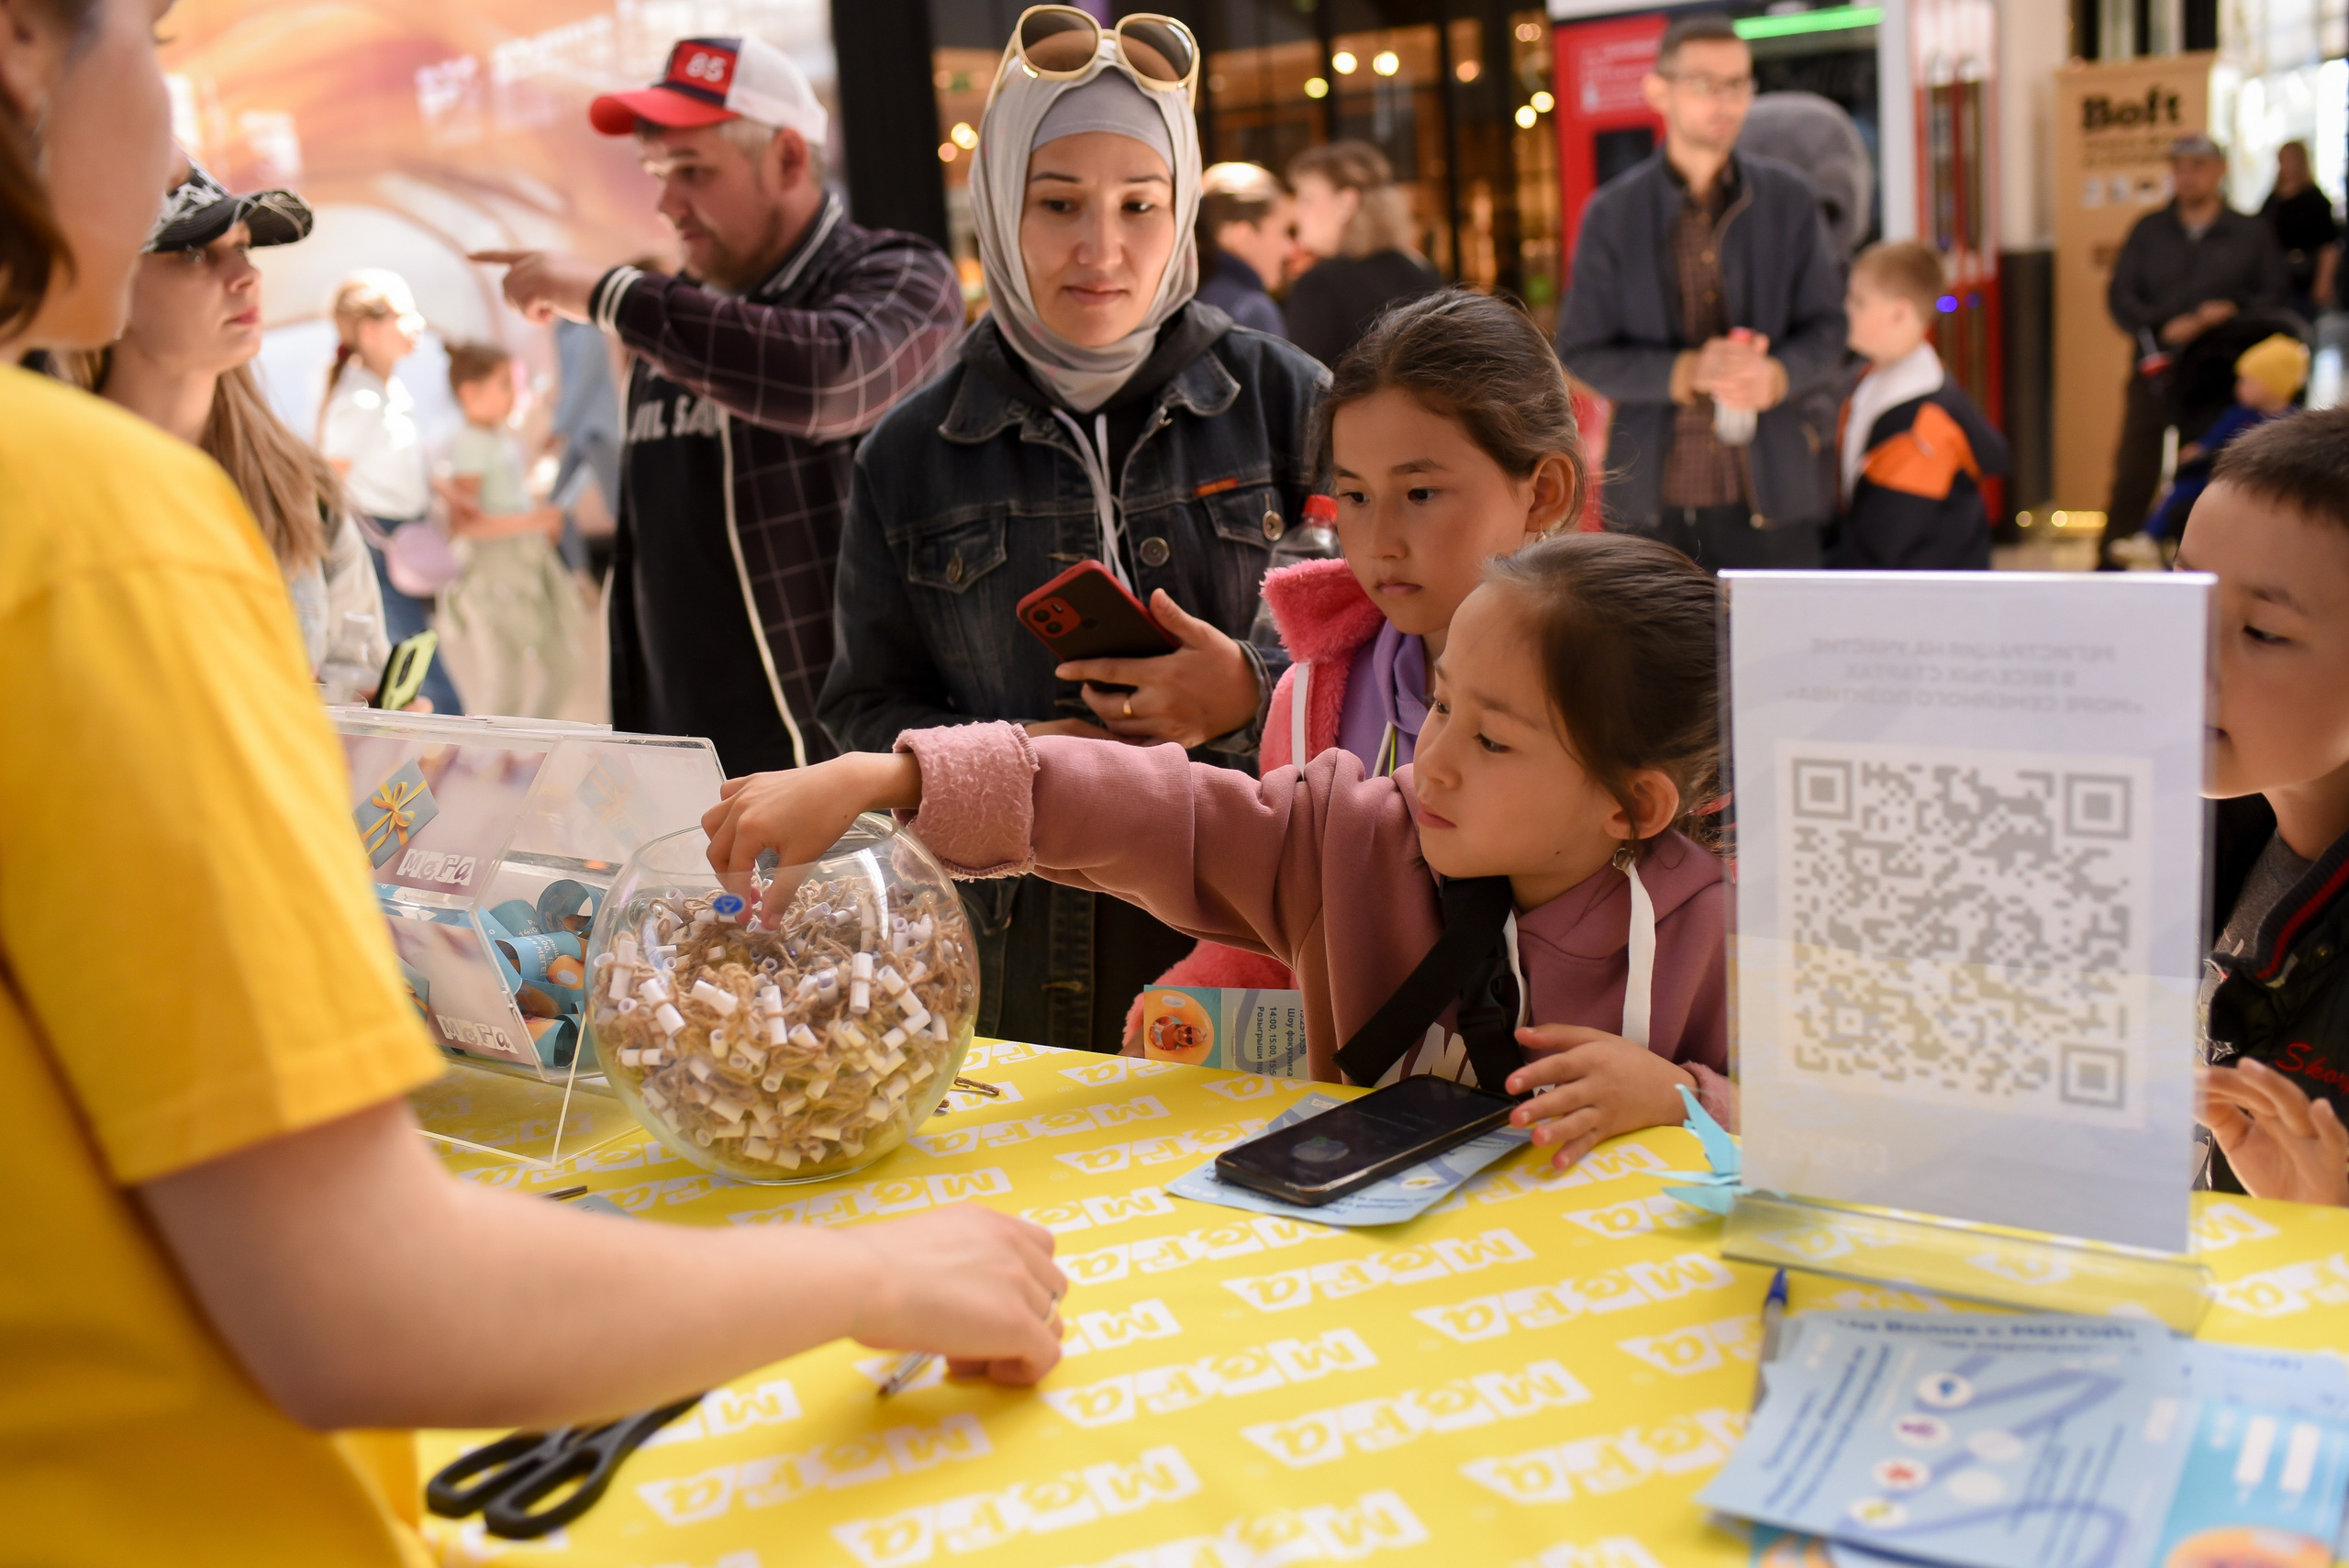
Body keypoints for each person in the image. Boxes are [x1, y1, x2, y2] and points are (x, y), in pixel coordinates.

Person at [0, 1, 1066, 1556]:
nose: (173, 125)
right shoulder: (94, 526)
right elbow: (357, 1290)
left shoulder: (869, 285)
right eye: (148, 43)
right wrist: (866, 1273)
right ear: (27, 45)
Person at [717, 531, 1735, 1165]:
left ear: (1633, 803)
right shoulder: (1349, 837)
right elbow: (1149, 808)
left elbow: (1853, 1132)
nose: (1436, 757)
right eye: (1443, 706)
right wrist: (883, 778)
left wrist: (1689, 1100)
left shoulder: (1733, 932)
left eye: (1493, 738)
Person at [817, 14, 1328, 1051]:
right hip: (1024, 961)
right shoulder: (909, 451)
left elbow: (1388, 653)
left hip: (1265, 937)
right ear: (1000, 209)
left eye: (1141, 204)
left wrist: (1250, 690)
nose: (1103, 250)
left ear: (1182, 206)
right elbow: (864, 707)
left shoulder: (1287, 401)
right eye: (1058, 205)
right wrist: (1012, 758)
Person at [473, 35, 964, 776]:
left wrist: (608, 293)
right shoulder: (676, 316)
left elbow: (830, 377)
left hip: (845, 774)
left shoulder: (899, 275)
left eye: (693, 171)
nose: (667, 203)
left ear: (790, 160)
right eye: (657, 172)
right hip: (693, 772)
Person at [1127, 288, 1583, 1040]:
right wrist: (1185, 1017)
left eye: (1421, 492)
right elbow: (1276, 923)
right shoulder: (1309, 701)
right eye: (1357, 497)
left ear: (1543, 491)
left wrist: (1672, 1086)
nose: (1380, 539)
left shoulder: (1621, 688)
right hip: (1370, 1124)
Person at [54, 155, 395, 685]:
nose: (246, 274)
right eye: (191, 253)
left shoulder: (298, 485)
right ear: (105, 289)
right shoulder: (51, 493)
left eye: (239, 247)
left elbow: (363, 669)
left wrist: (386, 724)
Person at [1554, 12, 1847, 572]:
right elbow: (1579, 350)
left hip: (1774, 497)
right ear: (1658, 91)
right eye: (1705, 85)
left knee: (1778, 658)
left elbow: (1829, 328)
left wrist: (1778, 374)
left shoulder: (1788, 198)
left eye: (1738, 84)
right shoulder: (1613, 214)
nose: (1727, 102)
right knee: (1658, 661)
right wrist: (1688, 371)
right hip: (1652, 505)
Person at [2176, 409, 2349, 1205]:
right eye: (2183, 593)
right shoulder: (2168, 832)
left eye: (2262, 631)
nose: (2190, 657)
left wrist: (2326, 1229)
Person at [2103, 132, 2289, 554]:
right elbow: (2121, 296)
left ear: (2220, 171)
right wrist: (2163, 325)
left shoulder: (2249, 233)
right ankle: (2110, 568)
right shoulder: (2149, 230)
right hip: (2157, 366)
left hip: (2220, 376)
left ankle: (2204, 567)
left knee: (2212, 470)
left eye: (2198, 167)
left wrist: (2228, 314)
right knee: (2134, 469)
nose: (2187, 177)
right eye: (2179, 168)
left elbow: (2275, 297)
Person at [319, 267, 466, 714]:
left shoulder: (389, 390)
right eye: (405, 313)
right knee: (428, 690)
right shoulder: (359, 401)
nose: (417, 323)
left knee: (415, 677)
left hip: (403, 543)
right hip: (379, 549)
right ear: (369, 329)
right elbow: (328, 483)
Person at [1831, 240, 2007, 570]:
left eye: (1859, 301)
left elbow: (1883, 546)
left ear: (1900, 313)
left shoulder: (1923, 431)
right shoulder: (1874, 375)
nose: (1846, 308)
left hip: (1927, 602)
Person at [439, 340, 580, 718]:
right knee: (506, 682)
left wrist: (537, 516)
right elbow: (465, 525)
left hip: (521, 567)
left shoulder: (498, 437)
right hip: (493, 578)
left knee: (564, 665)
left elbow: (504, 503)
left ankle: (529, 746)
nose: (515, 394)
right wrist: (534, 520)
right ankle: (500, 762)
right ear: (470, 393)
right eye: (505, 385)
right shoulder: (471, 445)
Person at [1281, 140, 1440, 369]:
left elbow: (1308, 390)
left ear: (1346, 203)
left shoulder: (1320, 286)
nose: (1296, 212)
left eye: (1307, 199)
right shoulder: (1420, 270)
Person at [2146, 331, 2307, 541]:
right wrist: (2197, 449)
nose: (2238, 387)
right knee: (2184, 488)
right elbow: (2213, 440)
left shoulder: (2291, 423)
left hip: (2258, 483)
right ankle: (2151, 537)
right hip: (2219, 475)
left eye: (2247, 381)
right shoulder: (2237, 415)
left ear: (2269, 384)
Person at [1194, 160, 1290, 339]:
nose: (1289, 249)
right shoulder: (1252, 311)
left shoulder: (1181, 298)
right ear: (1243, 236)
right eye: (1282, 232)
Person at [2261, 139, 2339, 325]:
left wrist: (2324, 281)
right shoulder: (2274, 198)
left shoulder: (2314, 200)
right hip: (2275, 278)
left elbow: (2329, 245)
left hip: (2303, 279)